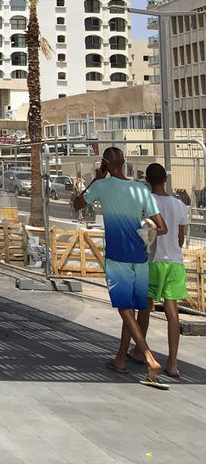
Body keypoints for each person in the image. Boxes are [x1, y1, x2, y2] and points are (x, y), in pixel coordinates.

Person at [73, 147, 169, 389]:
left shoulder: (102, 186)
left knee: (124, 309)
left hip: (118, 257)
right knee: (133, 309)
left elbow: (77, 204)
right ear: (124, 163)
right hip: (140, 257)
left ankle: (149, 357)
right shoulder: (141, 189)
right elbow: (162, 227)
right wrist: (144, 233)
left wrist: (97, 178)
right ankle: (120, 359)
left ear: (105, 164)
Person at [127, 163, 188, 379]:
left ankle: (139, 350)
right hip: (175, 263)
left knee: (145, 307)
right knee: (172, 312)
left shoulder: (147, 202)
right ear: (165, 179)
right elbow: (180, 238)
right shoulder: (180, 205)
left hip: (153, 261)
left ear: (148, 181)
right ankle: (173, 363)